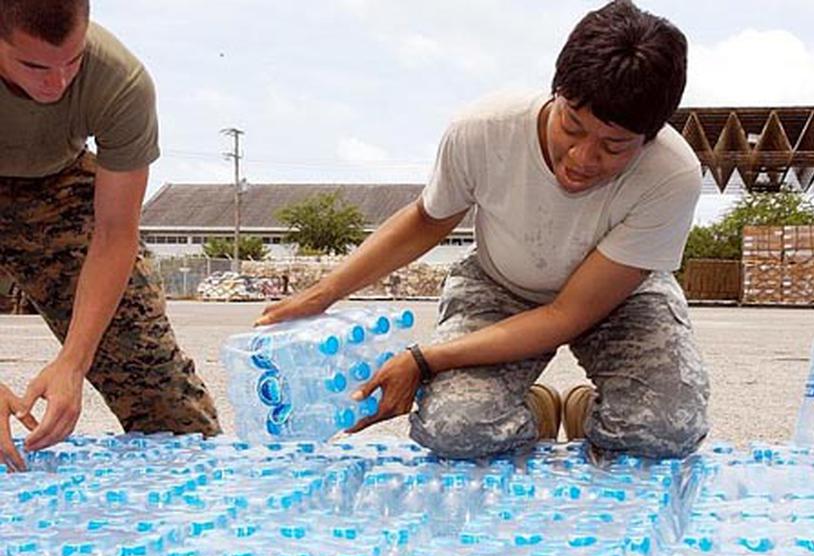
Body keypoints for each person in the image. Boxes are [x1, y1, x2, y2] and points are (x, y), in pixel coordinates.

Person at [258, 0, 709, 460]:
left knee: (665, 428)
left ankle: (586, 410)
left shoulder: (671, 176)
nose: (582, 159)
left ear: (650, 136)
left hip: (616, 299)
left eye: (613, 147)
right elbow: (427, 219)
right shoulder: (485, 130)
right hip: (502, 286)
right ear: (556, 93)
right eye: (571, 127)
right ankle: (532, 412)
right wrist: (325, 292)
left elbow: (565, 315)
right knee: (454, 428)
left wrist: (423, 360)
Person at [0, 0, 220, 471]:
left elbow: (115, 230)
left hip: (57, 188)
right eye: (34, 65)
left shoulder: (119, 79)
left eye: (72, 61)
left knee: (162, 394)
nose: (57, 83)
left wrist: (74, 361)